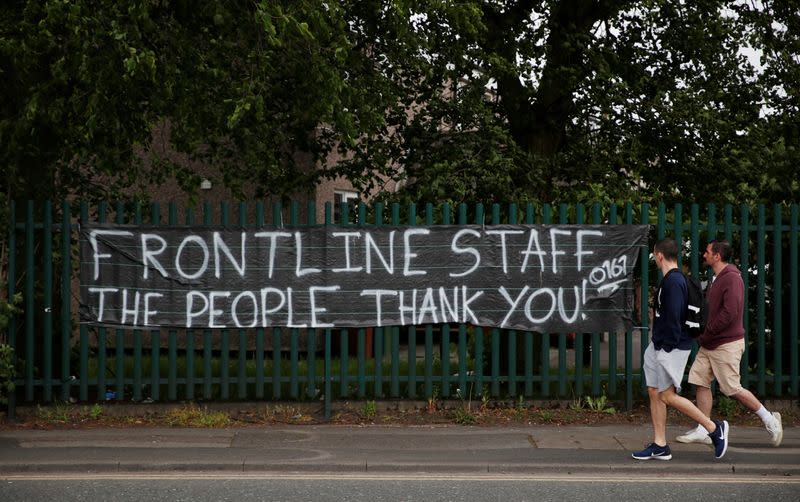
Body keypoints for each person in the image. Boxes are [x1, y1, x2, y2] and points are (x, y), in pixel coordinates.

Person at [676, 239, 783, 447]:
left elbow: (730, 313)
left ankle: (770, 419)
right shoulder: (718, 277)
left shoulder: (732, 278)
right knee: (700, 381)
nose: (704, 255)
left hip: (725, 344)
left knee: (732, 388)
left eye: (707, 252)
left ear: (717, 256)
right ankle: (704, 429)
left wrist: (707, 333)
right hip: (710, 343)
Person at [632, 238, 729, 460]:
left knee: (667, 395)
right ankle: (660, 445)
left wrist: (666, 348)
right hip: (659, 345)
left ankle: (714, 428)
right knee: (654, 391)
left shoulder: (674, 282)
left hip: (671, 347)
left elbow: (674, 318)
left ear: (658, 255)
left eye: (654, 256)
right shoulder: (671, 279)